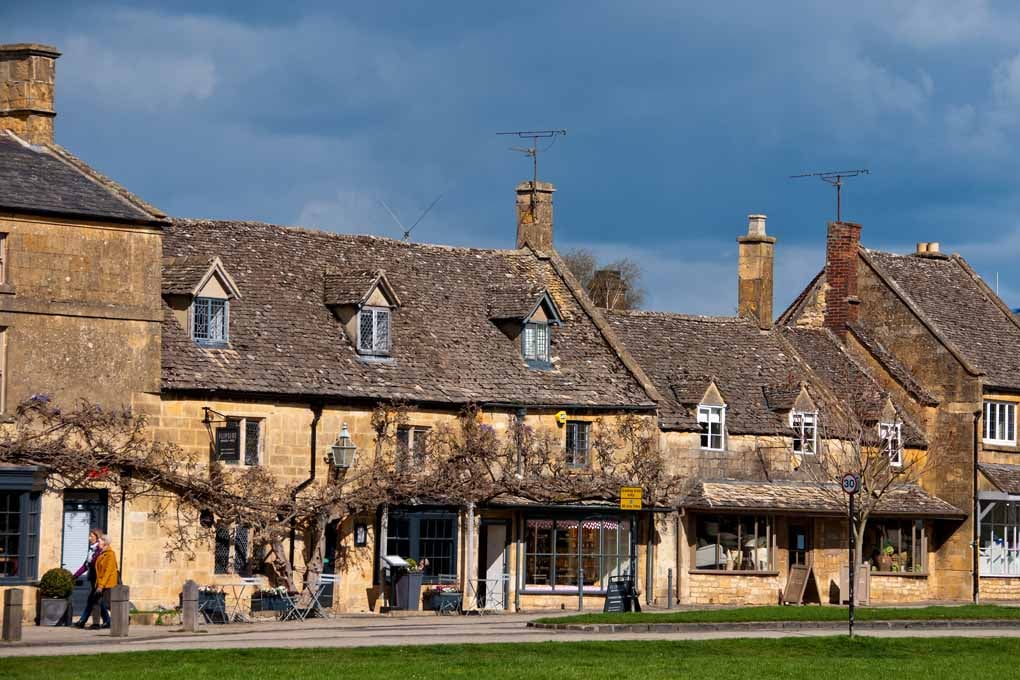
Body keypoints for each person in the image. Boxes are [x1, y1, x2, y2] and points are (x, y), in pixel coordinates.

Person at [72, 529, 102, 629]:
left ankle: (83, 621)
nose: (89, 538)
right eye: (89, 536)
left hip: (98, 580)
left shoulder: (99, 550)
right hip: (92, 579)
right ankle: (107, 620)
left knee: (92, 600)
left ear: (97, 538)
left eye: (91, 536)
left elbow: (95, 564)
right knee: (98, 602)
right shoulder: (91, 549)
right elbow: (85, 565)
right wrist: (75, 576)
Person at [90, 535, 119, 629]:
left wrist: (101, 586)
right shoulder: (101, 553)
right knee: (96, 602)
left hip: (108, 584)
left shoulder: (110, 554)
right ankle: (96, 624)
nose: (98, 543)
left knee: (109, 604)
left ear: (105, 543)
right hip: (100, 583)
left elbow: (108, 572)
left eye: (99, 541)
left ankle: (123, 618)